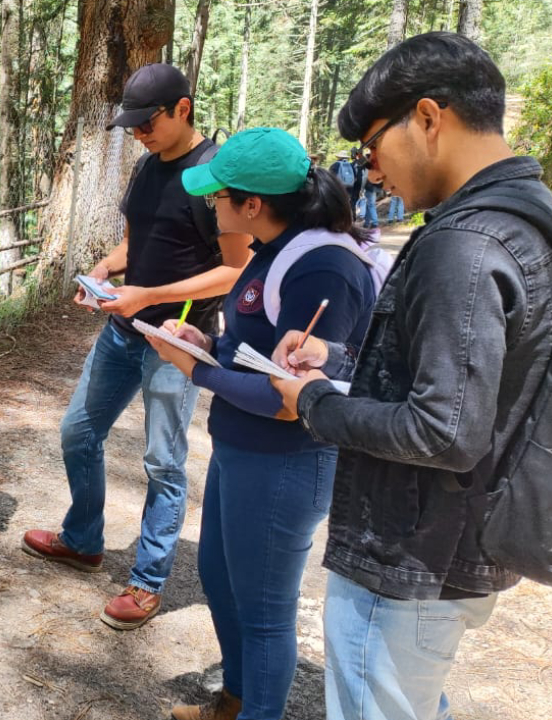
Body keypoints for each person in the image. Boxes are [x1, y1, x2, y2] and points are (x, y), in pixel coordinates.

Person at [270, 32, 552, 720]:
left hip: (408, 556)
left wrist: (313, 403)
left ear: (428, 117)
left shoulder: (467, 241)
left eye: (371, 147)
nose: (370, 172)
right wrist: (336, 364)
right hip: (456, 546)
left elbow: (443, 428)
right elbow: (467, 374)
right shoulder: (526, 215)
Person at [146, 128, 379, 720]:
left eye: (216, 197)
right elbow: (258, 349)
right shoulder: (276, 248)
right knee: (219, 576)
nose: (210, 208)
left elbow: (288, 399)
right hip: (242, 446)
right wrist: (208, 345)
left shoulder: (321, 268)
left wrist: (195, 372)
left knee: (265, 607)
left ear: (252, 204)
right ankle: (237, 699)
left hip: (285, 460)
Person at [20, 63, 253, 630]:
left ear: (184, 108)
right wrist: (105, 268)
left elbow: (236, 270)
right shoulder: (148, 167)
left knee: (163, 462)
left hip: (177, 341)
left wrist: (150, 294)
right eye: (133, 124)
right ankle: (83, 539)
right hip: (123, 330)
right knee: (78, 430)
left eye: (148, 121)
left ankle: (147, 582)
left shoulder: (213, 174)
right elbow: (139, 240)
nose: (139, 132)